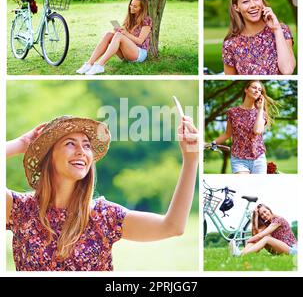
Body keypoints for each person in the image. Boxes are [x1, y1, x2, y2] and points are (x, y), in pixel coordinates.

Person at [6, 115, 199, 271]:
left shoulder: (103, 216)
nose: (82, 151)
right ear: (49, 155)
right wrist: (22, 143)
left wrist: (191, 161)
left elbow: (172, 226)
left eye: (87, 145)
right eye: (70, 143)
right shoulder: (20, 209)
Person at [222, 0, 296, 75]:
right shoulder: (230, 44)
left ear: (261, 1)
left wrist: (276, 29)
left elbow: (287, 70)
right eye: (245, 1)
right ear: (236, 7)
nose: (253, 5)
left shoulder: (282, 30)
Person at [209, 80, 278, 174]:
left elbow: (257, 130)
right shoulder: (232, 112)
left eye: (259, 90)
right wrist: (212, 143)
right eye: (254, 87)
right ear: (246, 89)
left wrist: (260, 108)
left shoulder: (262, 113)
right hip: (239, 159)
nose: (257, 91)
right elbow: (227, 134)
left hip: (258, 158)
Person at [76, 0, 152, 75]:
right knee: (109, 34)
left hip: (139, 53)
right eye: (131, 5)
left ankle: (99, 65)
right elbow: (123, 36)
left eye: (135, 6)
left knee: (119, 36)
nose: (131, 7)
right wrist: (118, 31)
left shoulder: (146, 20)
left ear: (141, 8)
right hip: (127, 52)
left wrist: (125, 33)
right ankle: (89, 63)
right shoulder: (130, 18)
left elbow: (140, 41)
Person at [229, 203, 297, 256]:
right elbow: (256, 234)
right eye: (261, 214)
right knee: (257, 239)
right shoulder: (268, 223)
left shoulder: (278, 220)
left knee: (266, 238)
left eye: (265, 211)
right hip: (279, 248)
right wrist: (255, 216)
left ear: (269, 210)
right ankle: (240, 253)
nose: (264, 215)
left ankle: (240, 254)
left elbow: (259, 236)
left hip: (292, 249)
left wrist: (248, 240)